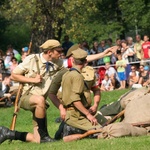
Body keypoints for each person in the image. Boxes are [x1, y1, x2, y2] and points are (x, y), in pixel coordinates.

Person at [0, 39, 66, 144]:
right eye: (58, 51)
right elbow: (13, 76)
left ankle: (8, 133)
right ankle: (45, 136)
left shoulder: (58, 62)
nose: (61, 53)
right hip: (27, 97)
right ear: (49, 52)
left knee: (37, 140)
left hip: (41, 103)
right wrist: (33, 80)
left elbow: (78, 61)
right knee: (40, 100)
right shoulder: (31, 59)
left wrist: (102, 54)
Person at [61, 49, 101, 137]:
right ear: (85, 61)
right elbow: (75, 99)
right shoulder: (77, 76)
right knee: (99, 132)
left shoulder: (66, 74)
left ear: (73, 60)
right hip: (76, 115)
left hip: (74, 113)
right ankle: (72, 129)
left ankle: (71, 128)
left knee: (101, 126)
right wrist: (88, 115)